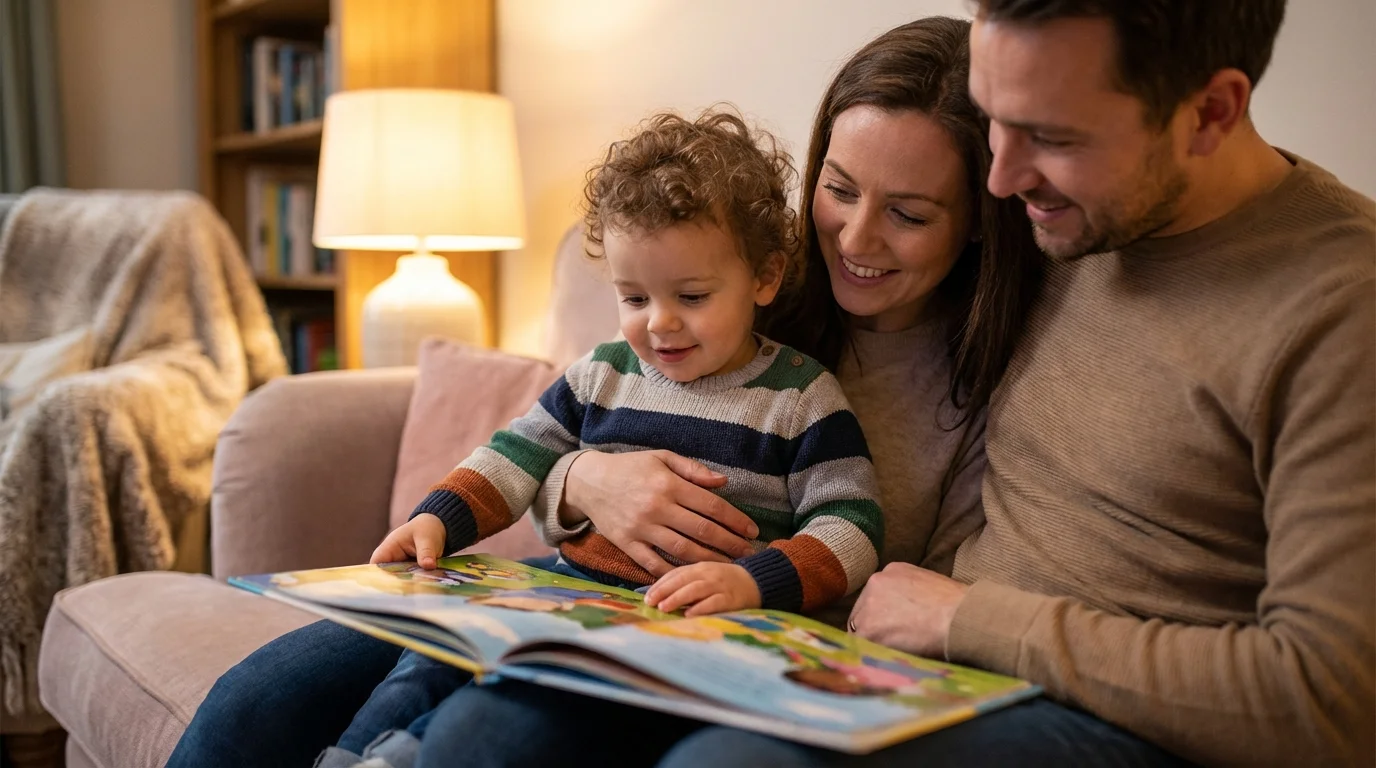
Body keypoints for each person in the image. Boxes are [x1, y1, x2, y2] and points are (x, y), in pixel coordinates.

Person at [421, 1, 1376, 765]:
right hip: (891, 658)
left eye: (1048, 135)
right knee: (461, 727)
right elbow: (625, 392)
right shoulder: (1052, 227)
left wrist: (966, 616)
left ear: (1212, 111)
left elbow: (1334, 705)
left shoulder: (1338, 307)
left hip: (1079, 704)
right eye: (996, 121)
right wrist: (577, 479)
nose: (1000, 179)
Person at [165, 16, 1044, 768]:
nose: (854, 237)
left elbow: (866, 548)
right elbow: (533, 446)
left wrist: (753, 580)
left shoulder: (898, 387)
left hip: (714, 632)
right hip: (560, 584)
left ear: (979, 219)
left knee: (475, 733)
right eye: (839, 189)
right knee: (255, 702)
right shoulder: (694, 309)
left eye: (909, 214)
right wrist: (580, 483)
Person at [314, 108, 887, 767]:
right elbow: (516, 455)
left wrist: (754, 583)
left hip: (689, 636)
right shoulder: (600, 373)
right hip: (564, 596)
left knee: (500, 709)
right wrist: (437, 519)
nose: (659, 324)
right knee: (432, 653)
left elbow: (852, 528)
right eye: (634, 298)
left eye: (692, 297)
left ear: (765, 278)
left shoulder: (801, 397)